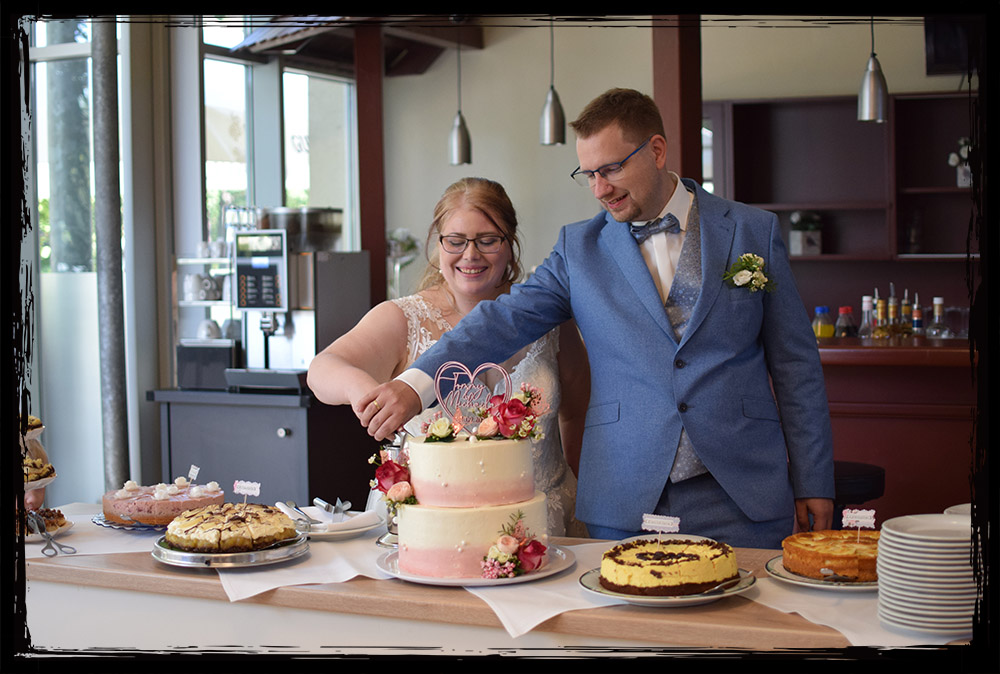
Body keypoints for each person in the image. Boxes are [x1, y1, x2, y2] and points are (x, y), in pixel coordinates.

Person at [356, 89, 835, 549]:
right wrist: (412, 385)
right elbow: (502, 322)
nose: (599, 188)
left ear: (657, 150)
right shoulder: (577, 249)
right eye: (586, 174)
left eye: (610, 169)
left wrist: (814, 478)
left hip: (741, 489)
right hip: (626, 494)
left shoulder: (752, 230)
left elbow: (796, 367)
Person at [307, 177, 590, 537]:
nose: (470, 255)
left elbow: (577, 412)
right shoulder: (402, 318)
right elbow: (322, 369)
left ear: (510, 243)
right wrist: (369, 392)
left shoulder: (548, 318)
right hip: (430, 526)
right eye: (455, 241)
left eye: (487, 240)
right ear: (437, 243)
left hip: (540, 520)